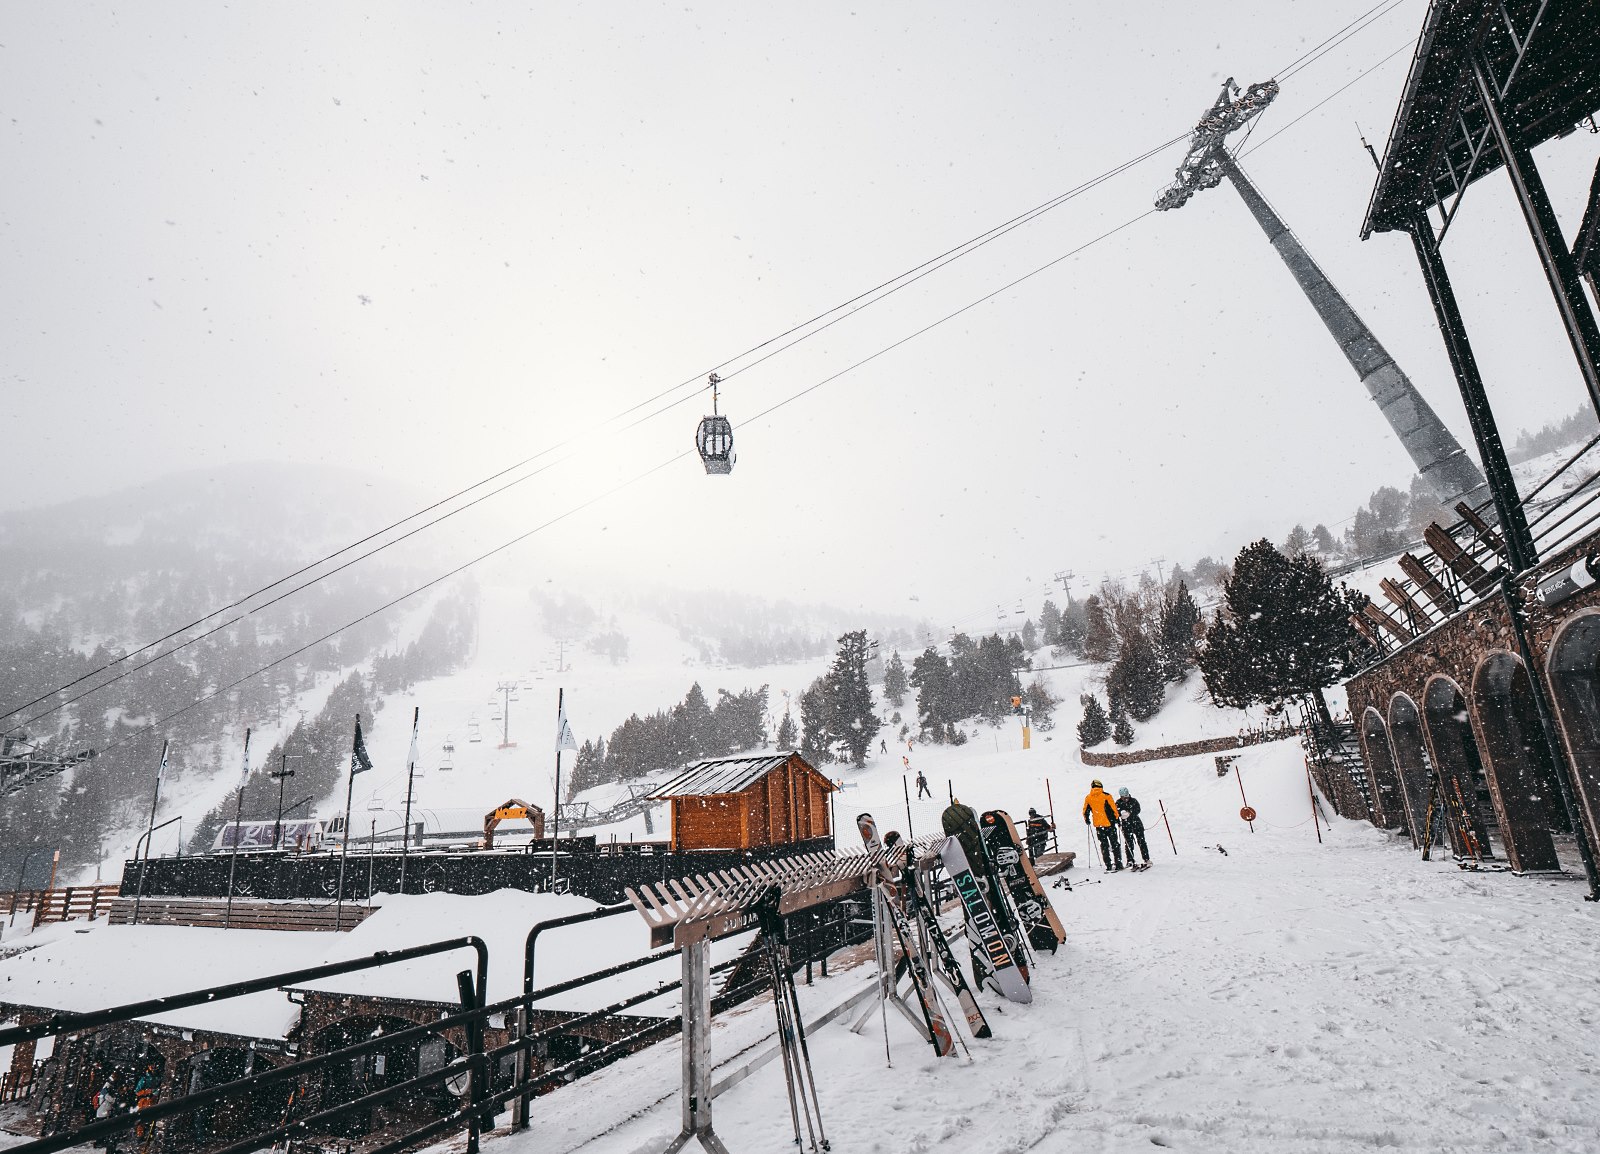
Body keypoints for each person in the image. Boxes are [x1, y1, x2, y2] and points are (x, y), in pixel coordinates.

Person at [1082, 779, 1123, 871]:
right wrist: (1117, 819)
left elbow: (1085, 811)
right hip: (1109, 824)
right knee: (1115, 844)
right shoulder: (1106, 796)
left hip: (1099, 826)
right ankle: (1118, 863)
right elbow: (1114, 809)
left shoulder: (1088, 798)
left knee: (1104, 845)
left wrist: (1087, 820)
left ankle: (1108, 864)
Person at [1117, 787, 1150, 868]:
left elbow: (1138, 809)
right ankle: (1130, 860)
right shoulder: (1118, 802)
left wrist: (1130, 813)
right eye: (1123, 797)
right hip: (1126, 826)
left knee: (1141, 841)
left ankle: (1146, 859)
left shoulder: (1134, 801)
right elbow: (1116, 812)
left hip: (1137, 824)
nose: (1125, 798)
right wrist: (1120, 813)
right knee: (1128, 843)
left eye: (1127, 796)